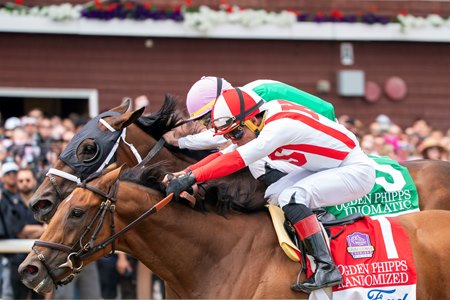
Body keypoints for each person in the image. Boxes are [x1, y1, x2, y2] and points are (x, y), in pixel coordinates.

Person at [163, 88, 376, 293]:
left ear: (253, 120)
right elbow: (224, 155)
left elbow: (235, 160)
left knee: (291, 197)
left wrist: (193, 177)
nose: (234, 140)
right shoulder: (260, 120)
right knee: (274, 194)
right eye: (228, 136)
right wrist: (185, 173)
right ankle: (317, 222)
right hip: (326, 167)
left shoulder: (279, 127)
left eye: (236, 133)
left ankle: (327, 268)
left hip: (352, 169)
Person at [163, 76, 337, 185]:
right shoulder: (248, 93)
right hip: (311, 140)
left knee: (254, 160)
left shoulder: (251, 96)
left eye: (208, 118)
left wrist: (180, 142)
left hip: (325, 145)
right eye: (205, 120)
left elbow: (221, 140)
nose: (210, 124)